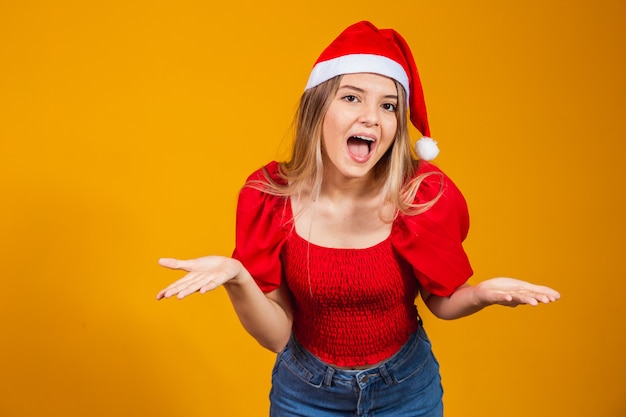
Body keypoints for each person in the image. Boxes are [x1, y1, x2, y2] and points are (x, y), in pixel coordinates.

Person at [156, 21, 560, 417]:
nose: (372, 117)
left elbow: (441, 301)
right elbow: (278, 336)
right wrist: (237, 277)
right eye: (352, 98)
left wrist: (483, 294)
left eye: (388, 106)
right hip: (305, 393)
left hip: (406, 388)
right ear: (318, 109)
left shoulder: (420, 195)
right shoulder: (270, 197)